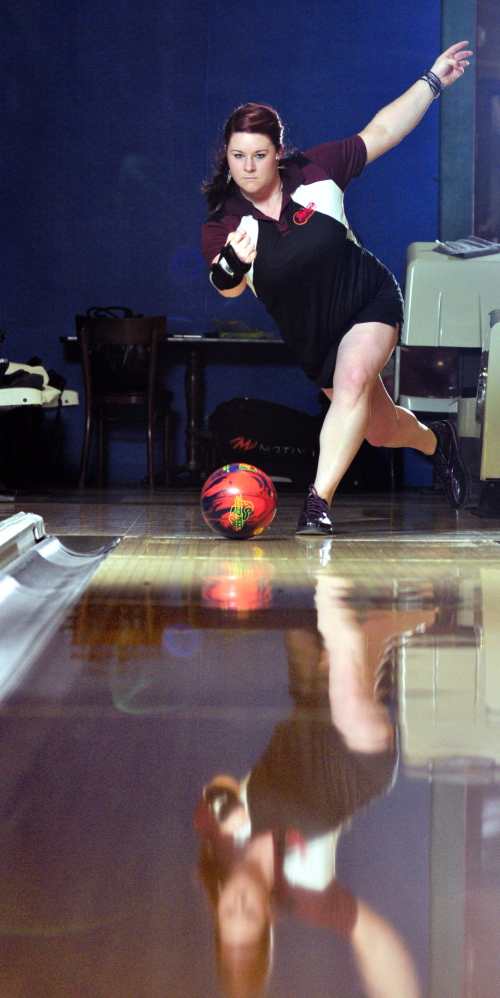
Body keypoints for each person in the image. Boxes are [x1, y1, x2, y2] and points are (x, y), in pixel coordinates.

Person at [201, 42, 472, 535]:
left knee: (351, 385)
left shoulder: (317, 171)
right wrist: (233, 262)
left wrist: (433, 81)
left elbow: (383, 131)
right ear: (228, 157)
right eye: (238, 156)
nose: (248, 167)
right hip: (315, 339)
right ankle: (438, 443)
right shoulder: (225, 225)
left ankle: (317, 505)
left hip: (369, 299)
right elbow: (227, 291)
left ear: (277, 152)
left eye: (259, 155)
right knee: (378, 429)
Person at [194, 574, 436, 997]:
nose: (239, 903)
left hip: (306, 712)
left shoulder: (218, 845)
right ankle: (346, 622)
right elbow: (375, 941)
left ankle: (408, 619)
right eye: (247, 914)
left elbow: (218, 783)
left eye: (229, 910)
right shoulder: (309, 896)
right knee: (344, 663)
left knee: (309, 623)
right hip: (359, 762)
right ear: (268, 921)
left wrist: (226, 799)